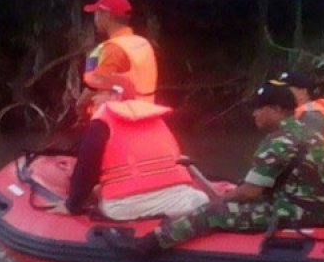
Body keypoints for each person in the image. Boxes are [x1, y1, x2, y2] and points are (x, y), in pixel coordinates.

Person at [102, 82, 324, 255]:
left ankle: (144, 247)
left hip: (293, 214)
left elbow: (250, 193)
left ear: (276, 109)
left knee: (212, 211)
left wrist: (225, 199)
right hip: (317, 209)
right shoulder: (309, 132)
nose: (254, 113)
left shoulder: (278, 140)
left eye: (258, 108)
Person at [49, 79, 208, 220]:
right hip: (178, 201)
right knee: (202, 199)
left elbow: (87, 168)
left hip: (126, 208)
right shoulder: (153, 116)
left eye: (98, 94)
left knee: (97, 194)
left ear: (115, 96)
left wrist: (71, 206)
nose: (94, 99)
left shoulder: (101, 122)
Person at [276, 70, 324, 205]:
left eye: (286, 89)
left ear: (303, 91)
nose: (279, 94)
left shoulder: (308, 116)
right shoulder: (312, 110)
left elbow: (293, 157)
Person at [76, 0, 158, 118]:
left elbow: (95, 85)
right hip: (146, 111)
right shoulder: (141, 42)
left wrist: (80, 105)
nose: (95, 18)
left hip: (121, 116)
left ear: (106, 15)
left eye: (97, 13)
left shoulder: (113, 48)